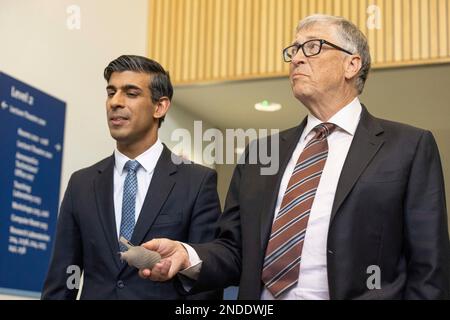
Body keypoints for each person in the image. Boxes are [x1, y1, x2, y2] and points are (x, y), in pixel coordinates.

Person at [138, 15, 450, 300]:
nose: (297, 58)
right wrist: (186, 255)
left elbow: (430, 270)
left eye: (312, 47)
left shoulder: (408, 147)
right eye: (294, 50)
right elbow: (235, 252)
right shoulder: (260, 153)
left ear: (352, 65)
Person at [41, 55, 222, 299]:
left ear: (160, 106)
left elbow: (205, 286)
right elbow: (62, 281)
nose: (115, 102)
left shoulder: (197, 182)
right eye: (111, 92)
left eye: (131, 93)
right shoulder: (81, 184)